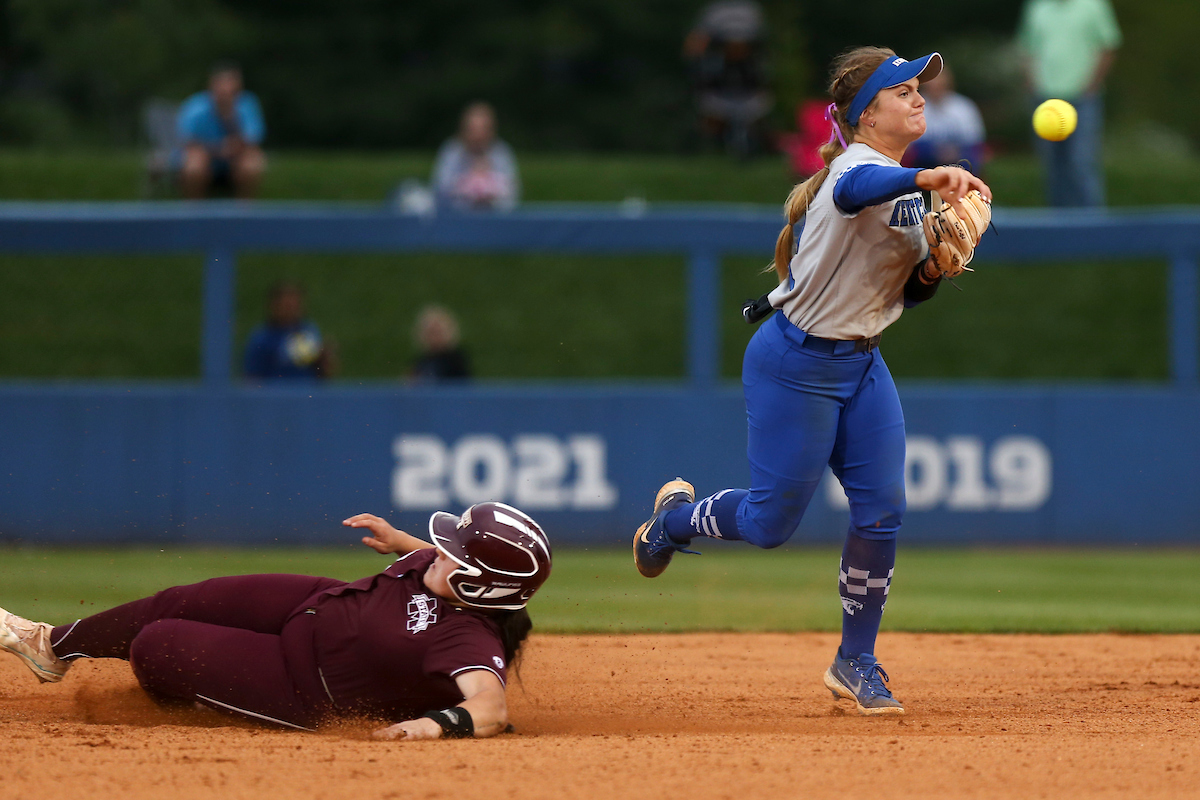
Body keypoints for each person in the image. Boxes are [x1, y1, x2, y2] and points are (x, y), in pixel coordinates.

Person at [632, 47, 992, 716]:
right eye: (904, 91)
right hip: (795, 363)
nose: (919, 99)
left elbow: (907, 293)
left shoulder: (905, 185)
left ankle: (856, 659)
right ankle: (672, 522)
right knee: (771, 524)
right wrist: (927, 178)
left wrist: (936, 268)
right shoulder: (859, 170)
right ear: (866, 114)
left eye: (922, 89)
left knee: (883, 510)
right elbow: (857, 192)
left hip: (861, 363)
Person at [0, 502, 551, 740]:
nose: (437, 549)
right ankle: (51, 647)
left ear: (482, 585)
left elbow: (491, 705)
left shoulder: (468, 636)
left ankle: (200, 695)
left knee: (158, 646)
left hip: (301, 683)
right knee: (180, 601)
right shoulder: (437, 569)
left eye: (454, 551)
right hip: (316, 603)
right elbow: (430, 553)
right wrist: (398, 539)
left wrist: (434, 725)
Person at [1017, 0, 1121, 207]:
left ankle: (1090, 226)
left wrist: (1092, 84)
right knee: (1052, 167)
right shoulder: (1037, 7)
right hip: (1045, 102)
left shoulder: (1094, 5)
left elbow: (1109, 46)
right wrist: (1032, 83)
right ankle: (1059, 227)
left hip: (1082, 100)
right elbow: (1027, 48)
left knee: (1081, 163)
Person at [683, 0, 772, 159]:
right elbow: (696, 42)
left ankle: (751, 148)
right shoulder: (715, 11)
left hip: (746, 87)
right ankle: (714, 150)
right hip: (719, 86)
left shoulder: (751, 10)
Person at [176, 63, 266, 199]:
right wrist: (218, 149)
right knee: (194, 161)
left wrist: (233, 146)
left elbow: (253, 138)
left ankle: (244, 211)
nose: (227, 89)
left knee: (253, 160)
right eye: (222, 83)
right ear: (212, 85)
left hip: (236, 159)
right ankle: (193, 210)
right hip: (205, 157)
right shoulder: (195, 107)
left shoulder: (247, 104)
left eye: (231, 83)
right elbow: (186, 141)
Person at [431, 103, 519, 211]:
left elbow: (512, 194)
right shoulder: (451, 152)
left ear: (492, 131)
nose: (478, 136)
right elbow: (440, 190)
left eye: (483, 129)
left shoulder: (502, 153)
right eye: (472, 129)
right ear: (463, 130)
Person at [243, 280, 336, 381]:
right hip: (274, 394)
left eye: (295, 304)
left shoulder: (310, 330)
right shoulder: (262, 337)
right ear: (274, 305)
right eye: (286, 305)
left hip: (307, 393)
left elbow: (324, 373)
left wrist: (325, 358)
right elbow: (252, 377)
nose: (291, 309)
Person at [905, 66, 987, 174]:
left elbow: (975, 141)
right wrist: (936, 152)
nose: (935, 85)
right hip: (925, 160)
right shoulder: (914, 106)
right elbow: (909, 143)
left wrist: (952, 152)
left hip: (959, 158)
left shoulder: (963, 107)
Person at [410, 305, 471, 382]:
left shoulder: (456, 362)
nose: (434, 337)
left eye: (438, 332)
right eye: (431, 332)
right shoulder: (421, 362)